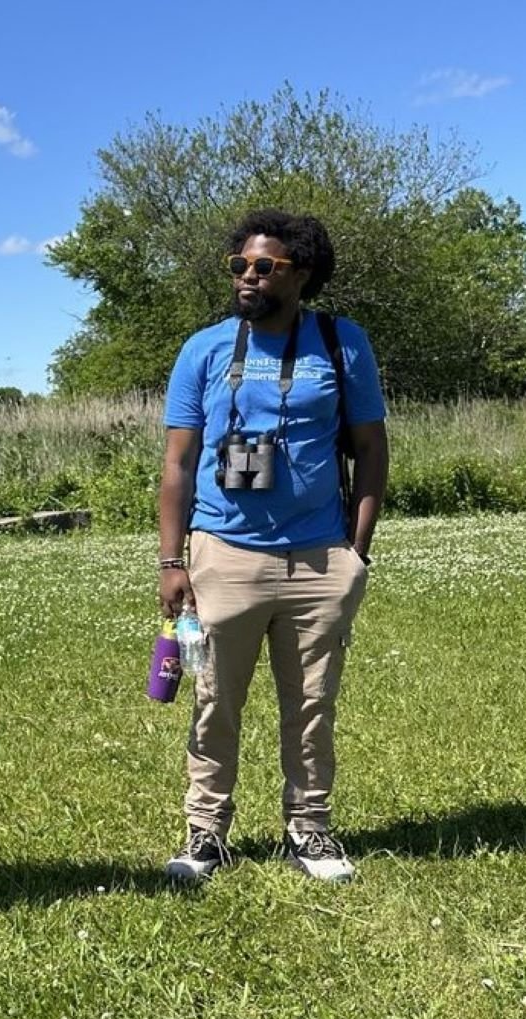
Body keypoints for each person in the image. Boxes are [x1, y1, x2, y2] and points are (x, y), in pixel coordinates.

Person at [156, 211, 388, 884]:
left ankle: (310, 833)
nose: (247, 278)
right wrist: (174, 562)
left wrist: (356, 554)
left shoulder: (342, 345)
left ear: (303, 273)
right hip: (224, 553)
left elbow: (372, 449)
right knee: (214, 700)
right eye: (239, 266)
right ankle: (205, 835)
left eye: (264, 267)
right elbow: (177, 463)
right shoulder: (204, 350)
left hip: (319, 558)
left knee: (313, 704)